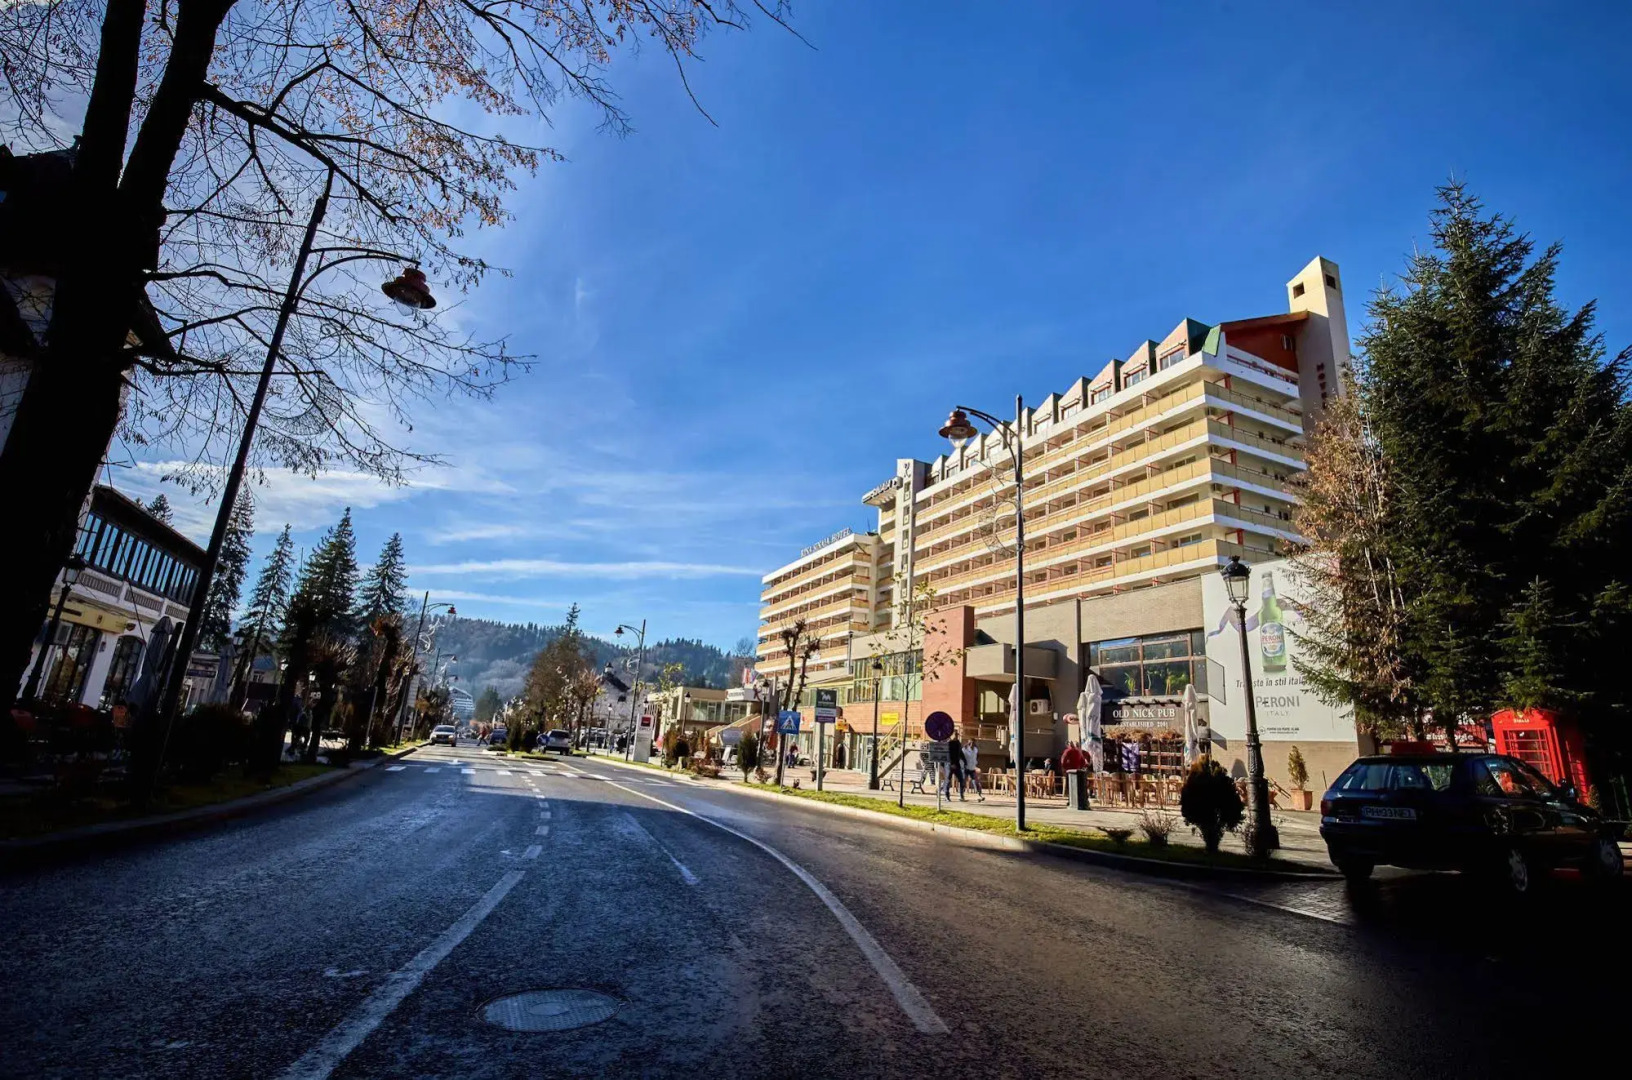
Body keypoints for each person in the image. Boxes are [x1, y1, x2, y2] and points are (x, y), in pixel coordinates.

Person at [942, 732, 967, 800]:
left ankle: (962, 795)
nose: (956, 736)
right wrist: (951, 763)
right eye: (955, 735)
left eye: (957, 735)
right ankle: (947, 795)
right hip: (949, 764)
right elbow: (947, 754)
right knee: (948, 780)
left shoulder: (958, 743)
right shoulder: (948, 743)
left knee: (961, 780)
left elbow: (960, 753)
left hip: (957, 764)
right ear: (951, 735)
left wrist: (965, 761)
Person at [962, 737, 984, 802]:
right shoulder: (964, 749)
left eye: (973, 743)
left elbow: (977, 756)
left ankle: (979, 796)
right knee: (963, 782)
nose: (972, 744)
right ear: (968, 743)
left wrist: (976, 762)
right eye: (970, 743)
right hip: (965, 768)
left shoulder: (975, 749)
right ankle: (961, 796)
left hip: (972, 768)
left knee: (975, 781)